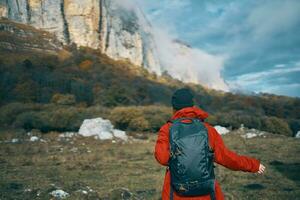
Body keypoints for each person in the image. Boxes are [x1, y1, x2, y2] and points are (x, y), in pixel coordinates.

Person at [154, 88, 265, 200]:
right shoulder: (208, 129)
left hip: (176, 193)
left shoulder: (167, 129)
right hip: (206, 193)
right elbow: (227, 157)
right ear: (192, 106)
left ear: (174, 108)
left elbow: (162, 158)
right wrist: (253, 165)